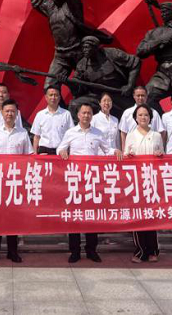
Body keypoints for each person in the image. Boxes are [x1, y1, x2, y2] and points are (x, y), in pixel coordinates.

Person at [31, 0, 112, 91]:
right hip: (61, 55)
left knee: (92, 85)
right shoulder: (51, 9)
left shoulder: (73, 6)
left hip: (80, 52)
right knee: (50, 87)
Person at [58, 103, 122, 262]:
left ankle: (91, 250)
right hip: (75, 180)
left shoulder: (97, 133)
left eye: (89, 113)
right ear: (78, 115)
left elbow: (107, 150)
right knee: (75, 216)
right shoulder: (70, 133)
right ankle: (75, 251)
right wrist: (63, 151)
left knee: (91, 216)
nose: (86, 115)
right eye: (83, 113)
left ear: (92, 116)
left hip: (92, 180)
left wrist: (116, 151)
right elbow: (60, 149)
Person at [0, 99, 33, 263]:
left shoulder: (23, 133)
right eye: (7, 111)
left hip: (15, 181)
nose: (9, 114)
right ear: (2, 113)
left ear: (17, 114)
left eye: (12, 111)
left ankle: (13, 251)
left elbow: (29, 156)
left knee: (13, 217)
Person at [124, 104, 164, 263]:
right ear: (135, 118)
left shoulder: (156, 136)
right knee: (139, 216)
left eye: (146, 115)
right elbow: (126, 156)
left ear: (150, 118)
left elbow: (162, 155)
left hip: (152, 180)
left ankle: (153, 250)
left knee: (152, 216)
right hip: (136, 181)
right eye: (140, 115)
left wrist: (159, 155)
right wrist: (129, 156)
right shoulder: (130, 135)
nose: (143, 118)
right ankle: (140, 251)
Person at [70, 36, 141, 116]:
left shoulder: (112, 53)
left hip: (119, 93)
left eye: (87, 47)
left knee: (134, 112)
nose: (84, 50)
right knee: (74, 104)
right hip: (97, 96)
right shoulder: (82, 65)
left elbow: (135, 62)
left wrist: (130, 85)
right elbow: (77, 88)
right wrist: (70, 84)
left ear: (95, 47)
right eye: (83, 48)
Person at [31, 86, 74, 155]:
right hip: (44, 151)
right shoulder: (40, 115)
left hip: (61, 152)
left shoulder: (66, 114)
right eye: (51, 95)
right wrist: (35, 153)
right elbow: (36, 137)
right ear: (46, 97)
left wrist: (70, 152)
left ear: (59, 98)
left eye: (56, 95)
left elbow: (71, 135)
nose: (53, 97)